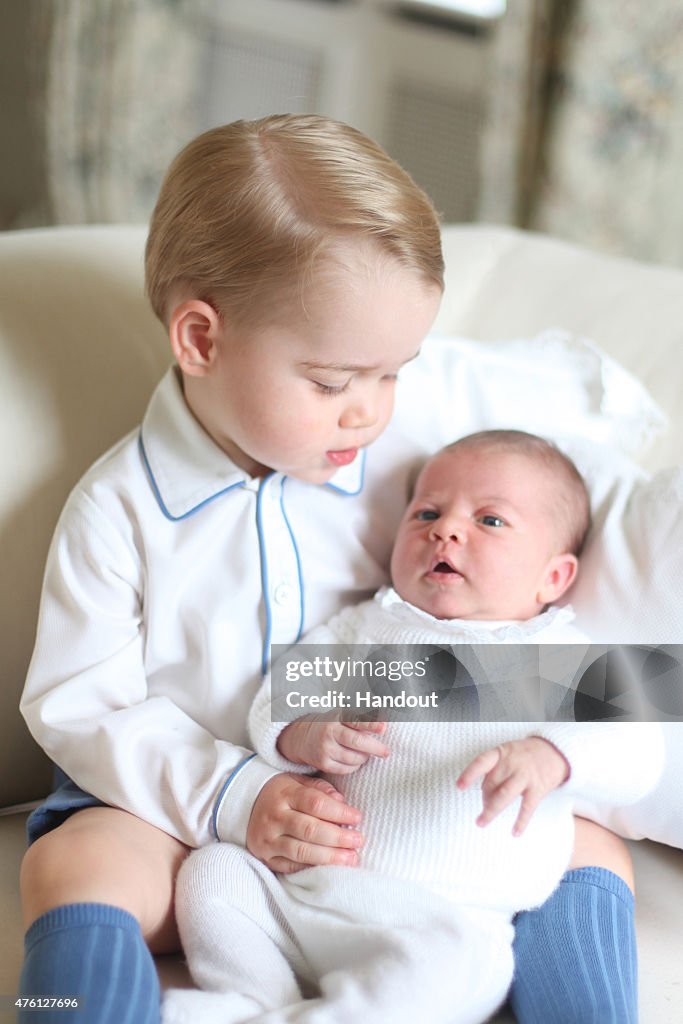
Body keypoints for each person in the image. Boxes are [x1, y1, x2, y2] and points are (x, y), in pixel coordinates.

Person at [17, 115, 638, 1024]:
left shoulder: (417, 464)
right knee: (70, 864)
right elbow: (81, 707)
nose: (369, 415)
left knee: (589, 846)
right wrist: (237, 792)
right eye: (331, 382)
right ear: (200, 340)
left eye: (392, 375)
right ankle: (73, 1008)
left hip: (394, 806)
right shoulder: (119, 511)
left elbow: (555, 441)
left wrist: (536, 734)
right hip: (177, 805)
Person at [164, 431, 663, 1024]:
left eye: (490, 520)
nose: (445, 529)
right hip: (307, 896)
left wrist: (551, 755)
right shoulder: (366, 629)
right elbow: (276, 699)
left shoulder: (555, 654)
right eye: (427, 511)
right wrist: (304, 731)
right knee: (214, 872)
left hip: (448, 919)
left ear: (553, 578)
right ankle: (253, 997)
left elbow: (639, 751)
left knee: (460, 969)